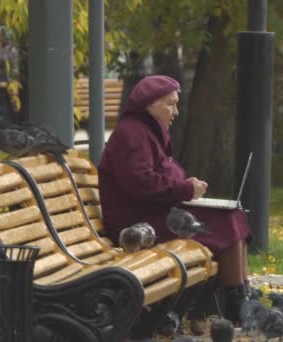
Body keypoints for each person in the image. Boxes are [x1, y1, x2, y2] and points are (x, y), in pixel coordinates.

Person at [98, 75, 251, 323]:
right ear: (148, 105)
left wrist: (186, 186)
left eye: (176, 104)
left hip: (154, 214)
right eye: (170, 104)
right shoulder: (132, 133)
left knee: (233, 213)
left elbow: (157, 176)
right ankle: (238, 305)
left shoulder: (147, 131)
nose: (176, 111)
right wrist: (184, 190)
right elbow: (140, 182)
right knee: (226, 220)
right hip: (136, 225)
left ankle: (243, 293)